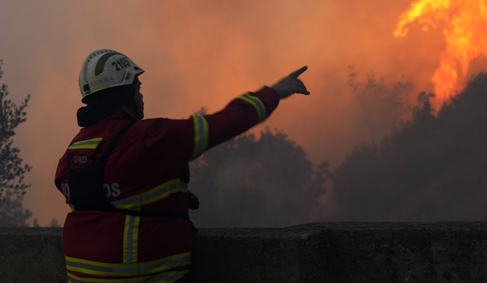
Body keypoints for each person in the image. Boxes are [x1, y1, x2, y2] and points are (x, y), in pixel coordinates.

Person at [55, 49, 309, 283]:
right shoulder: (149, 138)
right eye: (137, 87)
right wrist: (274, 92)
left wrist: (169, 195)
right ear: (125, 93)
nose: (141, 94)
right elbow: (224, 123)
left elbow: (107, 195)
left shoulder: (74, 150)